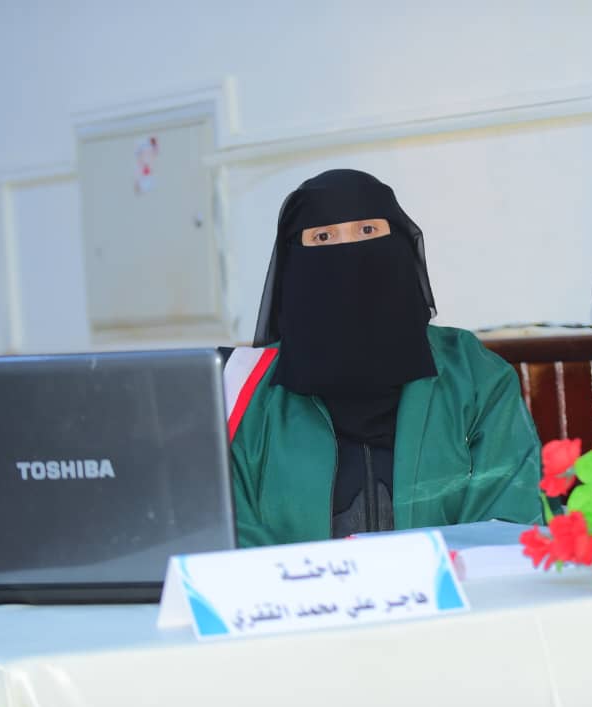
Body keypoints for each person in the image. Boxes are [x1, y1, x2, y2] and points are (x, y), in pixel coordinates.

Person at [228, 169, 541, 547]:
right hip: (300, 586)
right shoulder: (248, 391)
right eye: (323, 237)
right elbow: (228, 527)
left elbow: (509, 510)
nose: (348, 252)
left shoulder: (472, 374)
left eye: (367, 231)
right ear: (294, 260)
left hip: (449, 583)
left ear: (400, 245)